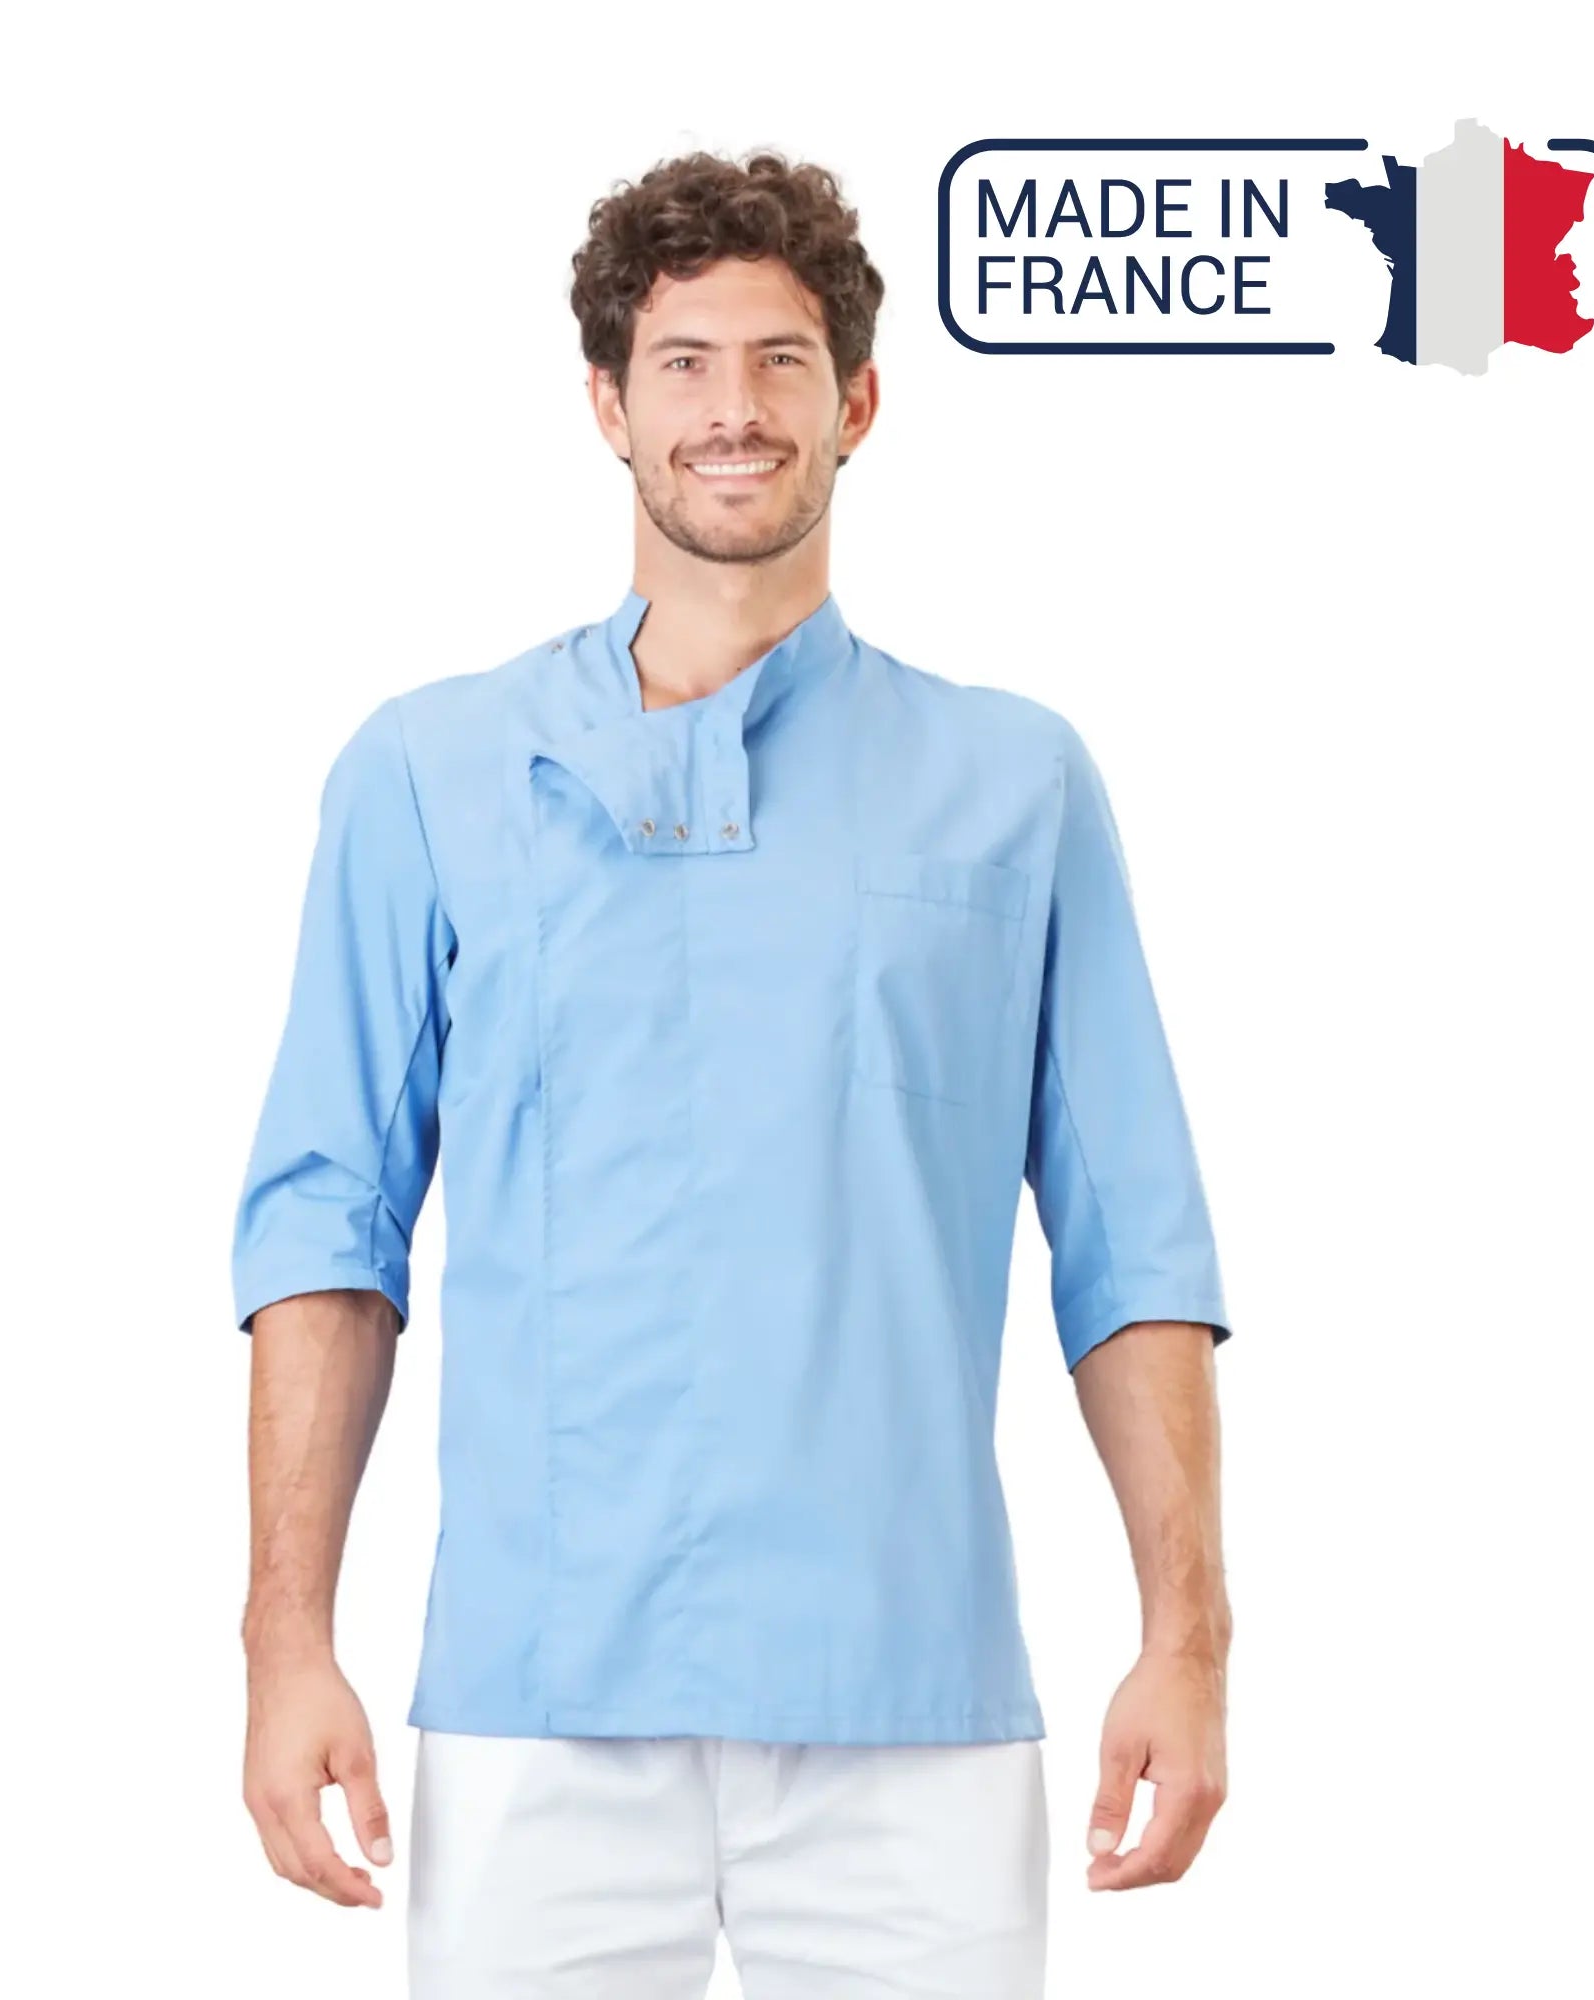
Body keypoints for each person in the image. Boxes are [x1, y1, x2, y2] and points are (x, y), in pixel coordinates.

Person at [230, 148, 1234, 1998]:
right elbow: (329, 1231)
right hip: (537, 1702)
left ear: (859, 403)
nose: (734, 409)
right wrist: (285, 1642)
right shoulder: (430, 776)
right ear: (607, 407)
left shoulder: (1014, 787)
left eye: (782, 361)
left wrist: (1190, 1638)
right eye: (682, 363)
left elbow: (1134, 1245)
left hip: (908, 1704)